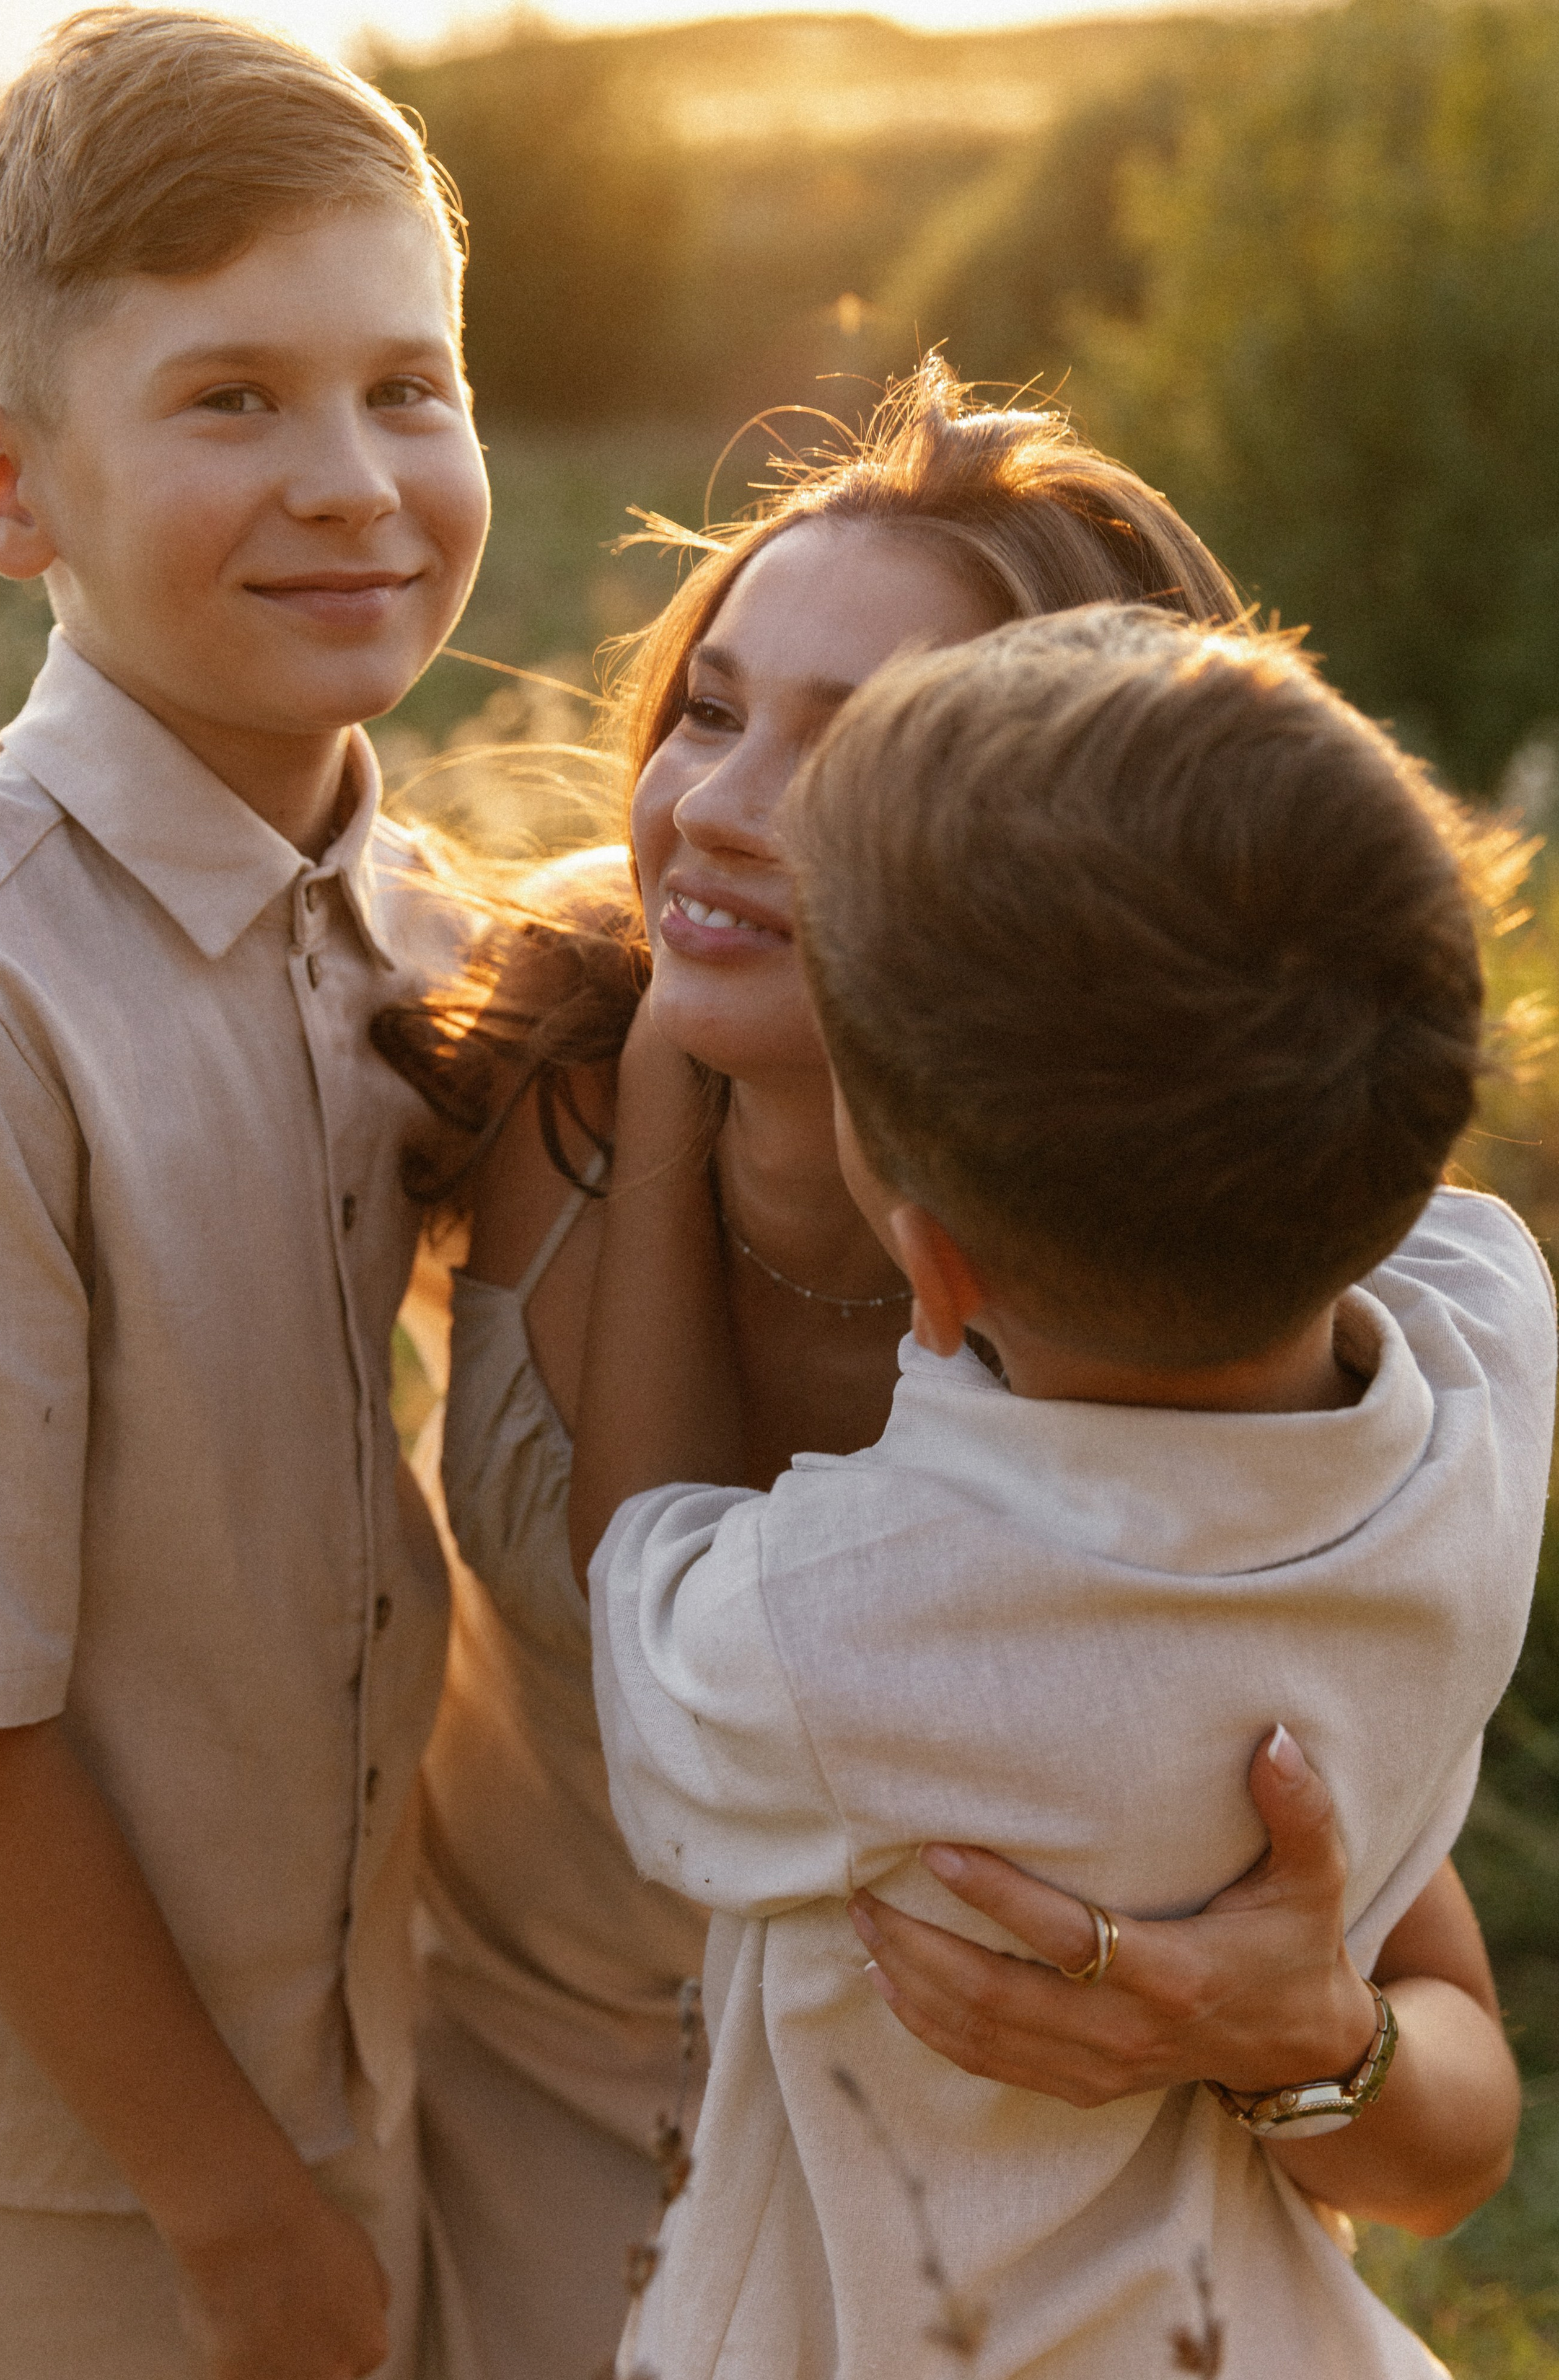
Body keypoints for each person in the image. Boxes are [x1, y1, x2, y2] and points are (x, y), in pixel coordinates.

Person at [382, 368, 1526, 2380]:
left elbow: (1448, 2145)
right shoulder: (508, 1054)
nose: (713, 811)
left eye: (862, 755)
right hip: (494, 2131)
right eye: (713, 705)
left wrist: (1300, 2040)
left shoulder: (1218, 1374)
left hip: (951, 2280)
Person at [0, 12, 491, 2376]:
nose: (357, 481)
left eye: (411, 384)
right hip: (78, 2165)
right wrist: (231, 2212)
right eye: (231, 400)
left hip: (385, 2053)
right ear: (6, 488)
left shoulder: (436, 934)